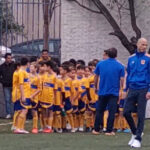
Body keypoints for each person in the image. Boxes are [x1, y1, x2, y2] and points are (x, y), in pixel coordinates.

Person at [123, 38, 150, 148]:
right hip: (132, 89)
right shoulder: (131, 59)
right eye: (143, 44)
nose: (144, 46)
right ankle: (134, 132)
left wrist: (149, 90)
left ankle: (138, 138)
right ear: (138, 44)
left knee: (141, 113)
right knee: (126, 112)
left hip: (143, 88)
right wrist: (125, 89)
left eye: (146, 45)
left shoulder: (148, 59)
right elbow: (128, 74)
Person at [92, 48, 125, 136]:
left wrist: (95, 87)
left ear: (108, 54)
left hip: (102, 91)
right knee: (112, 111)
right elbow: (122, 80)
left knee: (99, 110)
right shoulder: (120, 66)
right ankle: (109, 130)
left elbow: (96, 77)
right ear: (116, 55)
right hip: (114, 92)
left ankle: (96, 129)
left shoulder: (100, 64)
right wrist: (123, 90)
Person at [0, 53, 15, 119]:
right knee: (7, 100)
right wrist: (3, 81)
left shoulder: (14, 65)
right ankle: (8, 113)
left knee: (14, 99)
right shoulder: (1, 66)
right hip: (6, 85)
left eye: (10, 58)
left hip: (14, 85)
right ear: (5, 59)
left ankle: (14, 113)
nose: (10, 59)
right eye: (8, 58)